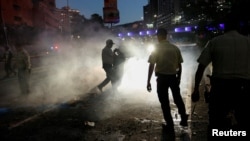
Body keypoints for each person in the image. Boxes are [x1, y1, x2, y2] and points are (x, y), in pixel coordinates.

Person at [191, 13, 250, 140]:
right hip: (243, 88)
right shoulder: (247, 42)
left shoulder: (214, 42)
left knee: (216, 124)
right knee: (244, 123)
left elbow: (201, 67)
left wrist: (196, 89)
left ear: (225, 27)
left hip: (220, 89)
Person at [146, 28, 188, 129]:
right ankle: (183, 118)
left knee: (164, 101)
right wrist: (179, 77)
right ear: (166, 35)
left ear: (158, 36)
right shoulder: (175, 48)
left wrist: (148, 81)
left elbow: (151, 65)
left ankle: (169, 123)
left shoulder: (156, 48)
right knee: (177, 98)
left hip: (162, 78)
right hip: (173, 77)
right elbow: (179, 65)